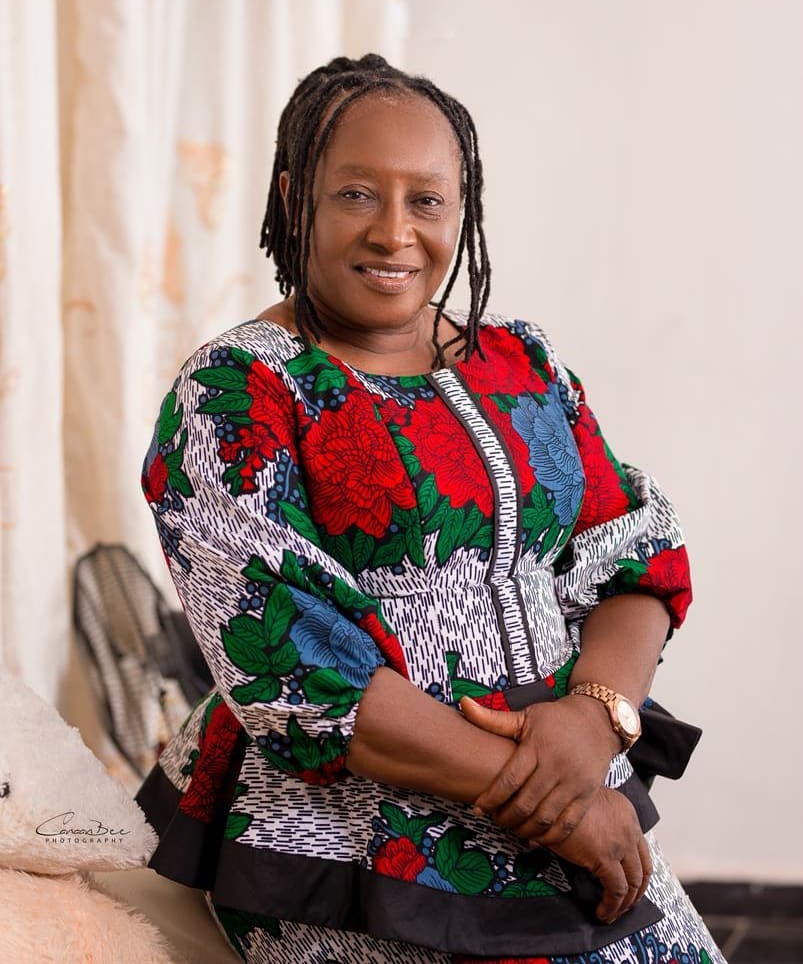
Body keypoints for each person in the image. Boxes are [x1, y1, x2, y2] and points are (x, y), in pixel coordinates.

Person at [137, 54, 724, 964]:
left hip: (575, 781)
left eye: (426, 200)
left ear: (462, 210)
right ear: (294, 199)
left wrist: (594, 715)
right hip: (348, 839)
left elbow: (632, 549)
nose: (393, 233)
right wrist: (555, 798)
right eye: (355, 195)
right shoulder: (239, 390)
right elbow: (288, 656)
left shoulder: (521, 364)